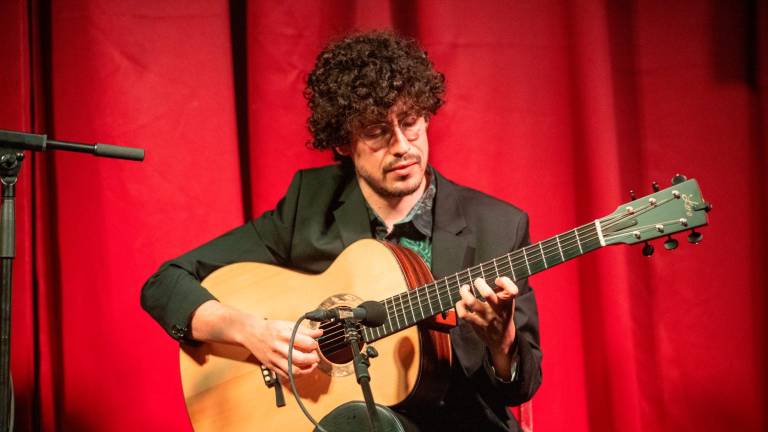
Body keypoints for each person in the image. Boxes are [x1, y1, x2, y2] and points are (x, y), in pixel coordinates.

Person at [141, 30, 542, 432]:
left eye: (411, 123)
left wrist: (501, 341)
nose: (402, 146)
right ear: (344, 142)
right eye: (376, 132)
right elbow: (165, 284)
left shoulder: (498, 226)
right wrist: (254, 332)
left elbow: (521, 387)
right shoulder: (310, 204)